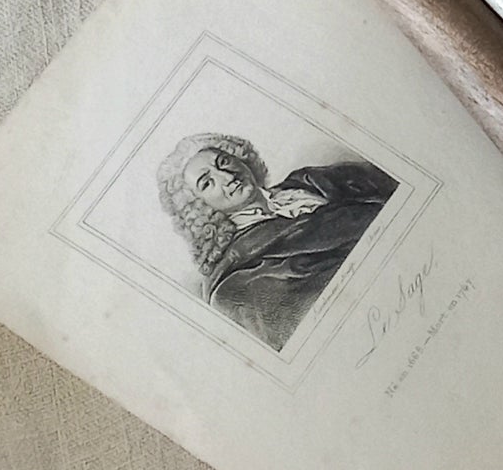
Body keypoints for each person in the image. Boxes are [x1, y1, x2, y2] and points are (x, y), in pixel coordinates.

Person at [155, 132, 395, 352]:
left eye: (224, 162)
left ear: (240, 157)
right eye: (207, 183)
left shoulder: (310, 180)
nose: (227, 177)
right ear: (201, 208)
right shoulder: (237, 275)